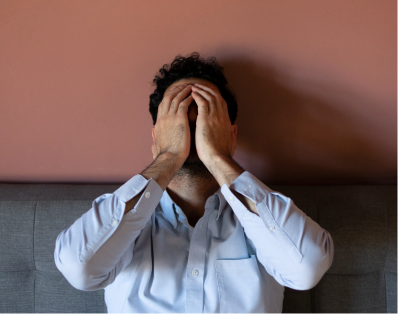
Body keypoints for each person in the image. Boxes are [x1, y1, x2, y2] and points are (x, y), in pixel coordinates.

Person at [54, 52, 334, 314]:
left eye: (203, 123)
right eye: (179, 125)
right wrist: (170, 156)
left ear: (231, 135)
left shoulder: (261, 221)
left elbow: (307, 266)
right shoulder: (124, 220)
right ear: (156, 137)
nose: (191, 135)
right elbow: (79, 267)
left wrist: (217, 156)